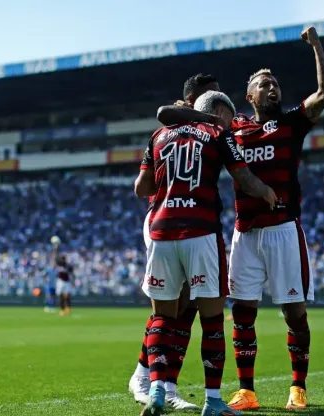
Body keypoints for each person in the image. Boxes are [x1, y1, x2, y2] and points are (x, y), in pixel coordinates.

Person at [155, 26, 324, 411]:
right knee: (242, 313)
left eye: (275, 84)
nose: (273, 88)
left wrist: (316, 46)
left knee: (294, 312)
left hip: (284, 229)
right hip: (244, 233)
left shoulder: (290, 123)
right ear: (248, 96)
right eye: (264, 84)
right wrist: (193, 107)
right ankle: (247, 390)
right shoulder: (231, 128)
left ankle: (297, 387)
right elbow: (178, 118)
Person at [137, 90, 276, 416]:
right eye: (229, 117)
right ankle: (213, 402)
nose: (233, 125)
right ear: (216, 112)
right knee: (212, 319)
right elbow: (243, 178)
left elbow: (141, 188)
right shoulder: (218, 134)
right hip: (200, 231)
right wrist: (267, 191)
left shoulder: (158, 136)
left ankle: (157, 388)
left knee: (162, 318)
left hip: (161, 231)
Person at [128, 73, 220, 411]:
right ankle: (152, 380)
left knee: (188, 305)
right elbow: (164, 112)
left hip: (182, 223)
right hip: (164, 221)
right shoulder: (178, 122)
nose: (216, 102)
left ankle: (159, 381)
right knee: (172, 305)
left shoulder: (198, 131)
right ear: (193, 97)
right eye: (211, 95)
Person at [51, 238, 74, 316]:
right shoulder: (60, 264)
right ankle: (62, 309)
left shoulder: (68, 266)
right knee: (60, 295)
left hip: (66, 281)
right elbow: (56, 257)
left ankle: (68, 308)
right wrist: (56, 248)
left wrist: (73, 281)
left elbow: (72, 273)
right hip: (60, 281)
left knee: (67, 295)